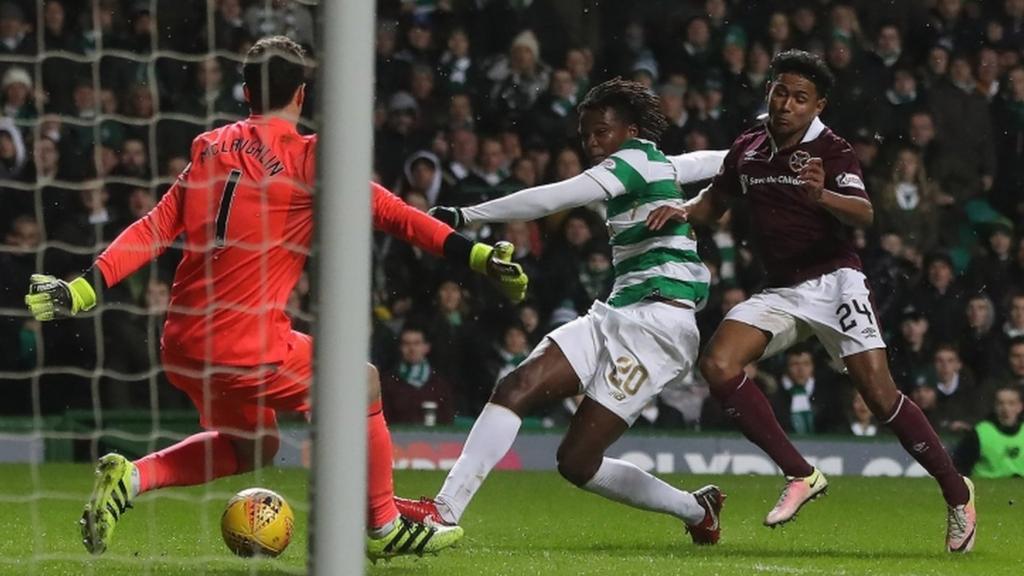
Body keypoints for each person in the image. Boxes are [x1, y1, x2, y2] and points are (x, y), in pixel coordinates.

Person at [23, 36, 528, 560]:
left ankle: (132, 477)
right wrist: (476, 257)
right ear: (302, 94)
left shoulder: (208, 148)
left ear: (245, 92)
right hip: (248, 344)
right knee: (365, 382)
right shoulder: (311, 158)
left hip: (183, 344)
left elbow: (154, 228)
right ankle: (383, 526)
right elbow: (395, 215)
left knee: (254, 445)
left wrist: (85, 286)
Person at [645, 50, 976, 552]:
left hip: (834, 282)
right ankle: (800, 474)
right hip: (781, 290)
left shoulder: (833, 150)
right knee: (717, 363)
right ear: (769, 90)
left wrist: (822, 196)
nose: (786, 105)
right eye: (780, 92)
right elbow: (714, 203)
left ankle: (957, 493)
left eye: (800, 98)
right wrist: (680, 209)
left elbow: (863, 214)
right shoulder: (750, 146)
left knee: (880, 397)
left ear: (817, 104)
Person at [396, 78, 728, 544]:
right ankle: (445, 510)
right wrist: (760, 155)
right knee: (518, 386)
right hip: (618, 312)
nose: (593, 144)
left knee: (577, 461)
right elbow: (714, 161)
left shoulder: (634, 160)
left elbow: (555, 196)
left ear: (631, 131)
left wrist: (466, 216)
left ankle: (694, 509)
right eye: (587, 134)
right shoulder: (658, 166)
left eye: (602, 132)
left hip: (659, 327)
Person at [954, 386, 1024, 479]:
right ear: (995, 406)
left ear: (1020, 407)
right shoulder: (980, 433)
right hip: (986, 489)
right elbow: (960, 466)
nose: (1005, 408)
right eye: (1000, 403)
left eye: (1011, 403)